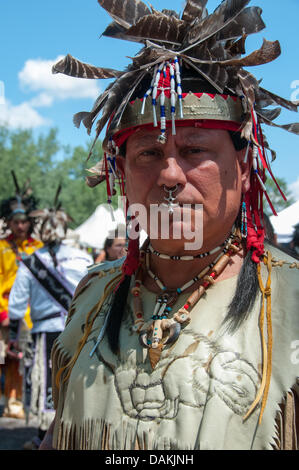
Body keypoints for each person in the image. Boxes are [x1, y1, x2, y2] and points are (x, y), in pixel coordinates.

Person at [42, 1, 299, 450]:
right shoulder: (92, 293)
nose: (171, 176)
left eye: (195, 150)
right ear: (121, 174)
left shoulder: (292, 301)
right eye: (149, 154)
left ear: (242, 168)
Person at [8, 185, 93, 449]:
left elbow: (16, 307)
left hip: (46, 334)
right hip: (79, 330)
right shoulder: (83, 258)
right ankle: (78, 431)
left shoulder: (30, 262)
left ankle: (45, 435)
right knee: (75, 380)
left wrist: (13, 336)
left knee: (48, 382)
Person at [0, 173, 43, 419]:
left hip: (29, 316)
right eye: (15, 221)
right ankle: (5, 399)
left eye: (24, 221)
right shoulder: (1, 247)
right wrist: (4, 313)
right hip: (4, 314)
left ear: (30, 223)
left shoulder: (37, 248)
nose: (20, 226)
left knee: (19, 360)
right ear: (8, 222)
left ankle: (15, 403)